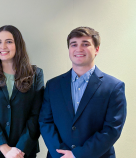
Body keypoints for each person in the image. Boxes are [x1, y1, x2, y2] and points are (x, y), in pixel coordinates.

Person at [39, 26, 127, 158]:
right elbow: (45, 122)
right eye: (74, 44)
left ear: (97, 49)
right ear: (69, 49)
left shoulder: (114, 87)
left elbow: (112, 130)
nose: (79, 49)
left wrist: (77, 155)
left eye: (85, 44)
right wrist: (61, 154)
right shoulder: (53, 85)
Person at [0, 25, 44, 158]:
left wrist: (20, 150)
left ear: (18, 44)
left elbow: (36, 115)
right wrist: (5, 149)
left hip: (24, 150)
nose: (3, 46)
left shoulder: (36, 74)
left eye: (9, 41)